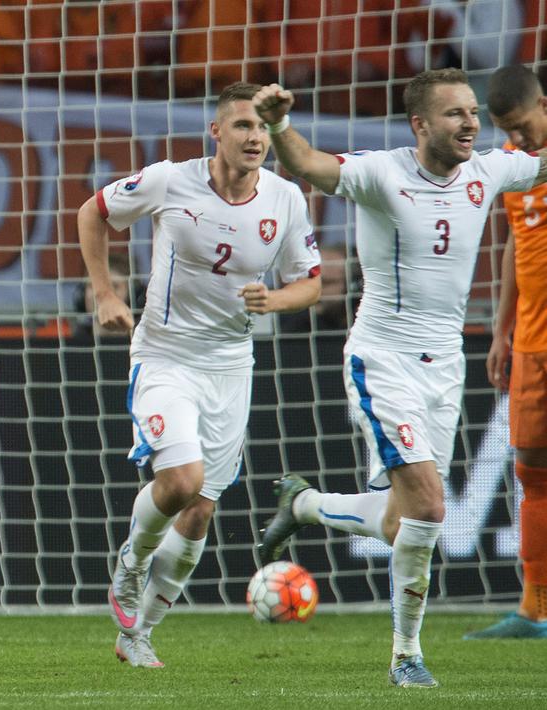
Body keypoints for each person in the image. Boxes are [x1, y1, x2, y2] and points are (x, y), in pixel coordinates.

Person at [253, 68, 547, 687]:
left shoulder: (489, 171)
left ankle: (303, 503)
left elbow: (541, 161)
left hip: (445, 368)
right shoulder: (381, 173)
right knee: (431, 505)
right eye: (454, 114)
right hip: (382, 360)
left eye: (473, 113)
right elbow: (308, 164)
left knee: (403, 520)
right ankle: (407, 657)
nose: (470, 123)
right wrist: (279, 124)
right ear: (420, 125)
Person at [78, 82, 321, 669]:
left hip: (231, 366)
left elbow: (309, 282)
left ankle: (139, 635)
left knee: (201, 510)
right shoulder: (168, 180)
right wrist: (105, 292)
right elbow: (93, 212)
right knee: (182, 479)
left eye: (262, 128)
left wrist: (277, 302)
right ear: (216, 132)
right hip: (165, 357)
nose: (254, 137)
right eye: (242, 125)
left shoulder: (285, 199)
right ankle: (131, 564)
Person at [466, 63, 547, 640]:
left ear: (543, 102)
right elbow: (519, 243)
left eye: (521, 126)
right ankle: (534, 609)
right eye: (506, 130)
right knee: (531, 472)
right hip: (532, 342)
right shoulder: (513, 165)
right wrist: (500, 332)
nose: (516, 139)